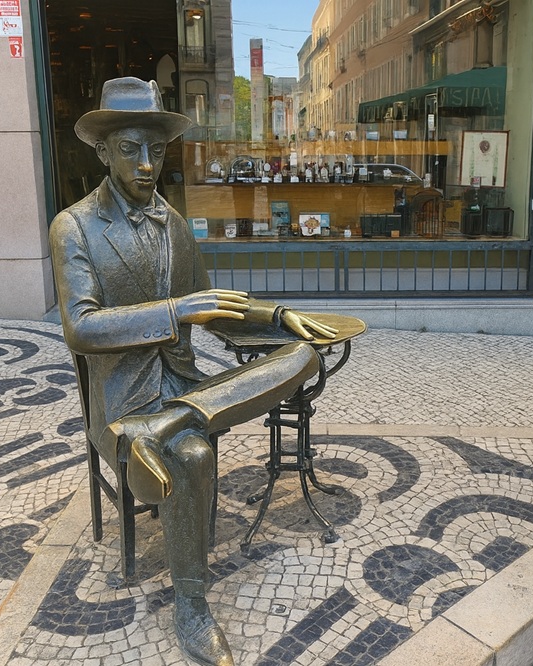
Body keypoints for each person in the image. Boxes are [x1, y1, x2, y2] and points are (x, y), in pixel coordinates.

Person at [49, 77, 336, 666]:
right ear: (103, 151)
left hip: (181, 390)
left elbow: (216, 312)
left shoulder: (174, 224)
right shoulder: (73, 227)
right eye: (131, 149)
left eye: (156, 149)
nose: (147, 164)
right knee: (196, 456)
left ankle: (166, 428)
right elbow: (80, 328)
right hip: (123, 403)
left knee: (303, 357)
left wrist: (281, 318)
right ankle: (192, 605)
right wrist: (175, 311)